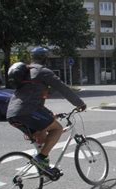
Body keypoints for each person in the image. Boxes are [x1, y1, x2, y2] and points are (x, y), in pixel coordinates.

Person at [6, 47, 86, 176]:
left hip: (12, 114)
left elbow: (33, 98)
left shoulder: (26, 72)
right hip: (29, 111)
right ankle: (41, 159)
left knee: (43, 137)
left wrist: (49, 114)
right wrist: (80, 104)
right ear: (46, 59)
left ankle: (45, 171)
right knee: (57, 129)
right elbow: (63, 89)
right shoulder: (43, 72)